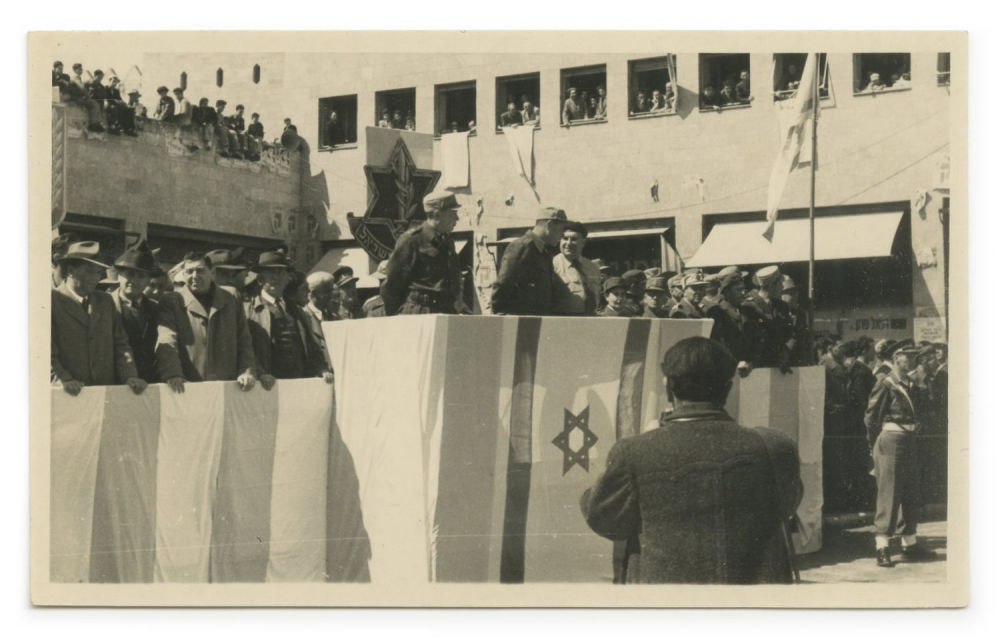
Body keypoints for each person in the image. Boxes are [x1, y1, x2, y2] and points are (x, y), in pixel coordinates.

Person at [581, 336, 802, 584]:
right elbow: (788, 505)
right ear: (727, 389)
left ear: (668, 388)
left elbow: (604, 520)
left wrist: (647, 441)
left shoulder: (633, 451)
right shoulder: (775, 447)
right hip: (752, 600)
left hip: (667, 599)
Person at [865, 341, 933, 567]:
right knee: (890, 492)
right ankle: (882, 546)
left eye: (915, 356)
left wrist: (921, 384)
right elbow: (871, 418)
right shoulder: (886, 383)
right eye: (908, 356)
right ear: (896, 358)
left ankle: (909, 543)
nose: (913, 360)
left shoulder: (912, 383)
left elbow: (922, 411)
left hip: (910, 439)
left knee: (911, 491)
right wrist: (874, 447)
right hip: (891, 440)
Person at [51, 241, 146, 396]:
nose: (96, 278)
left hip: (103, 394)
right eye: (90, 271)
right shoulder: (50, 302)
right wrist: (64, 380)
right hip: (66, 395)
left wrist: (129, 376)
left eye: (98, 272)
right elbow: (45, 354)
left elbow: (121, 344)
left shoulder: (105, 301)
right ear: (70, 270)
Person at [155, 252, 257, 392]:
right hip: (188, 386)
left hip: (227, 386)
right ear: (183, 275)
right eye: (189, 271)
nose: (194, 276)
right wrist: (172, 374)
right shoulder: (172, 301)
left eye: (200, 270)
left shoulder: (230, 297)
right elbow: (167, 339)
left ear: (212, 273)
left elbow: (244, 340)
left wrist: (246, 371)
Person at [245, 250, 329, 386]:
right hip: (268, 384)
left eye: (280, 272)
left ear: (287, 278)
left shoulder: (296, 309)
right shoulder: (250, 311)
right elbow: (246, 350)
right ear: (260, 279)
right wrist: (260, 373)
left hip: (299, 381)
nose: (276, 277)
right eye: (270, 272)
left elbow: (311, 345)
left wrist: (321, 369)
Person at [382, 191, 465, 315]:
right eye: (453, 213)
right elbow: (392, 285)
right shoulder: (411, 240)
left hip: (446, 310)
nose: (457, 218)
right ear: (437, 215)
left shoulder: (447, 241)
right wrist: (399, 316)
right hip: (420, 312)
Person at [491, 206, 568, 315]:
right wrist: (501, 317)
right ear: (550, 225)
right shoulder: (522, 246)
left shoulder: (543, 251)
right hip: (520, 319)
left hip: (537, 318)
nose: (562, 235)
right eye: (561, 229)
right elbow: (503, 284)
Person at [110, 241, 163, 384]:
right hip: (113, 383)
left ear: (148, 280)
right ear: (119, 276)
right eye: (129, 274)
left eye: (141, 276)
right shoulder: (104, 306)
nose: (133, 281)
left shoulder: (156, 309)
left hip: (149, 384)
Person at [741, 265, 795, 372]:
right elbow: (749, 338)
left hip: (779, 365)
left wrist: (785, 352)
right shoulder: (749, 306)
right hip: (756, 366)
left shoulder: (781, 306)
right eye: (780, 284)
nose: (782, 287)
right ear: (771, 285)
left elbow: (789, 333)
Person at [707, 267, 751, 376]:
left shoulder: (744, 308)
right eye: (738, 290)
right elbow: (717, 345)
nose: (743, 293)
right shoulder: (716, 311)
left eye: (743, 289)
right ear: (726, 291)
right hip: (725, 371)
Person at [551, 221, 601, 316]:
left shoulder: (592, 267)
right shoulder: (552, 265)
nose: (568, 243)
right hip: (563, 319)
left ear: (583, 242)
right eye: (565, 238)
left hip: (591, 318)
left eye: (574, 239)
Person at [302, 271, 338, 379]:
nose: (331, 296)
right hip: (315, 378)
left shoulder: (334, 317)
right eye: (327, 292)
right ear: (313, 294)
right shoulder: (303, 318)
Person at [780, 275, 812, 366]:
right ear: (781, 295)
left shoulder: (800, 314)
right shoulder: (776, 314)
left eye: (796, 292)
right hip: (782, 363)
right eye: (791, 293)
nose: (796, 296)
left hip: (799, 362)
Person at [68, 63, 104, 132]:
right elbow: (82, 88)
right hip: (76, 98)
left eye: (81, 68)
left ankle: (96, 123)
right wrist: (88, 96)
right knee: (94, 104)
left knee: (95, 104)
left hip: (78, 97)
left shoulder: (77, 77)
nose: (81, 70)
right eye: (79, 69)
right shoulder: (75, 77)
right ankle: (93, 125)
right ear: (75, 70)